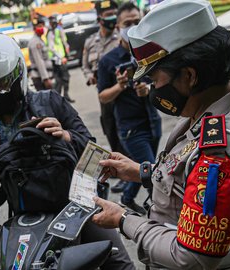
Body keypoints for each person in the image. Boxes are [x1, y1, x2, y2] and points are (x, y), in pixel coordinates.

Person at [91, 0, 230, 269]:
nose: (153, 87)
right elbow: (187, 175)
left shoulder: (223, 153)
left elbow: (190, 256)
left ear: (189, 76)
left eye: (155, 79)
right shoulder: (223, 103)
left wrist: (123, 218)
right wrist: (141, 172)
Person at [0, 32, 135, 270]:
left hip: (76, 208)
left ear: (16, 77)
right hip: (27, 221)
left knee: (120, 264)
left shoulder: (50, 102)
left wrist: (65, 135)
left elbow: (95, 150)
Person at [97, 2, 161, 215]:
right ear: (118, 27)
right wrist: (120, 86)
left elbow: (164, 81)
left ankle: (127, 197)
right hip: (131, 128)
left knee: (144, 167)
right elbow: (103, 96)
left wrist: (149, 89)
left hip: (153, 121)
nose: (133, 26)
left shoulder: (150, 51)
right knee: (153, 172)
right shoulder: (108, 60)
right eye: (128, 23)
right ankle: (161, 214)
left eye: (137, 21)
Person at [83, 0, 128, 193]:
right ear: (99, 17)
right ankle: (120, 169)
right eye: (108, 13)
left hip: (123, 95)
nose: (112, 17)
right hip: (103, 95)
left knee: (125, 131)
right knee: (110, 130)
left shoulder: (122, 38)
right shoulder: (90, 41)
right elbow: (84, 65)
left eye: (114, 13)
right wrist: (90, 77)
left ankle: (129, 173)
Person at [47, 14, 74, 103]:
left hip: (61, 58)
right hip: (57, 59)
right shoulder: (51, 32)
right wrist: (61, 57)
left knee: (63, 78)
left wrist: (67, 49)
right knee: (61, 79)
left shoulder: (58, 30)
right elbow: (51, 47)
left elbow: (64, 42)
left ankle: (64, 97)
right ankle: (59, 99)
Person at [28, 19, 53, 91]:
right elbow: (39, 61)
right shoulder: (35, 42)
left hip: (42, 77)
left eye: (43, 26)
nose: (42, 28)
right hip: (39, 78)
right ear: (34, 28)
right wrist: (45, 78)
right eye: (39, 26)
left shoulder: (40, 40)